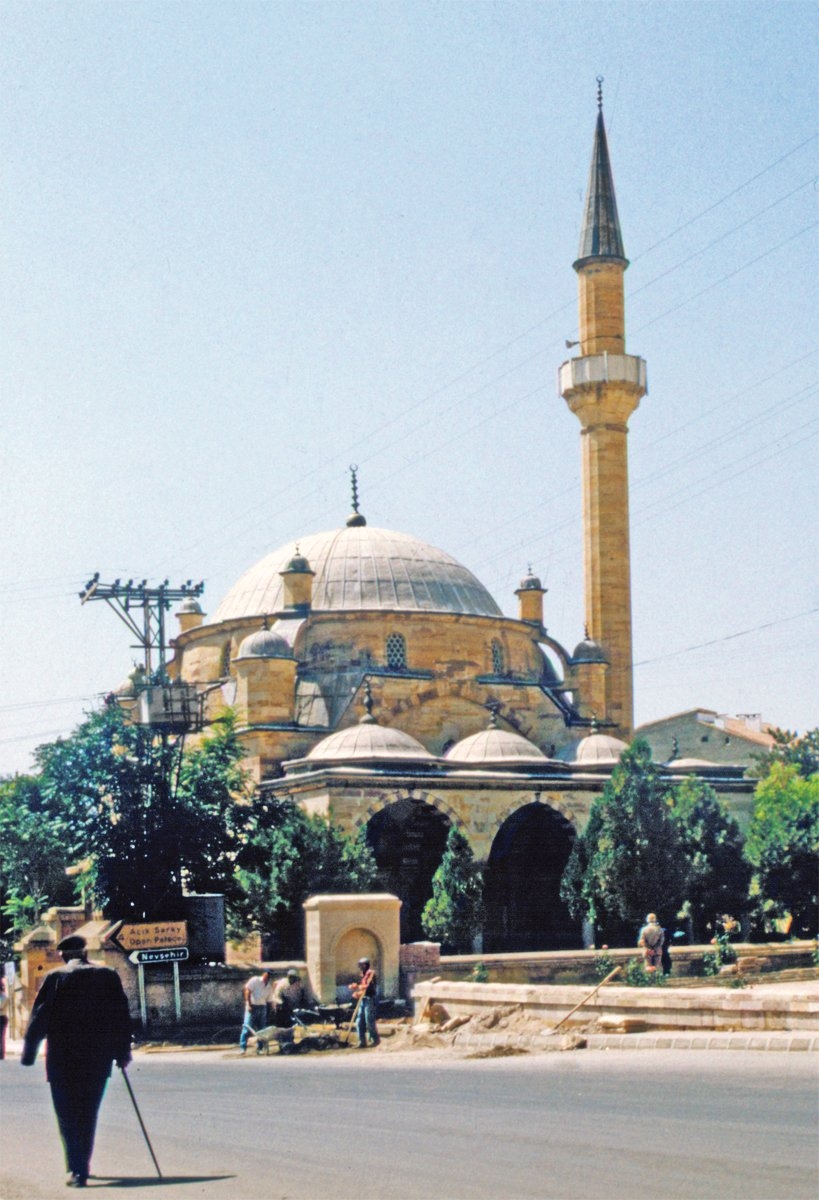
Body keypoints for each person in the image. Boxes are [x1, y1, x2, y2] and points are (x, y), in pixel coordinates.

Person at [20, 934, 132, 1189]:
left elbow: (39, 1018)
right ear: (85, 953)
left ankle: (76, 1169)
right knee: (88, 1113)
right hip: (97, 1059)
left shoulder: (56, 978)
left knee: (67, 1116)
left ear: (63, 955)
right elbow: (121, 1016)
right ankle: (83, 1167)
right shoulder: (107, 976)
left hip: (62, 1060)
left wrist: (28, 1054)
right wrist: (122, 1052)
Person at [239, 970, 273, 1053]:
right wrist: (248, 1004)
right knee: (247, 1027)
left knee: (262, 1029)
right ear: (264, 973)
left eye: (269, 975)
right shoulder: (255, 980)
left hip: (262, 1007)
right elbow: (247, 991)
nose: (267, 976)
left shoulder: (269, 986)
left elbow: (269, 1000)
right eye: (267, 974)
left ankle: (260, 1048)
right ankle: (243, 1048)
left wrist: (270, 1011)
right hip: (253, 1006)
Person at [350, 958, 379, 1048]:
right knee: (359, 1021)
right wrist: (358, 992)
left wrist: (358, 987)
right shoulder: (363, 975)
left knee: (369, 1021)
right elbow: (363, 988)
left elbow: (369, 987)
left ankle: (375, 1040)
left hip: (370, 999)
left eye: (361, 965)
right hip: (364, 999)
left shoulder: (371, 973)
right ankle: (362, 1042)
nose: (360, 967)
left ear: (365, 965)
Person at [0, 977, 8, 1059]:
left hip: (2, 1017)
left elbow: (1, 1007)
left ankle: (1, 1054)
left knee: (1, 1037)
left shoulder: (3, 997)